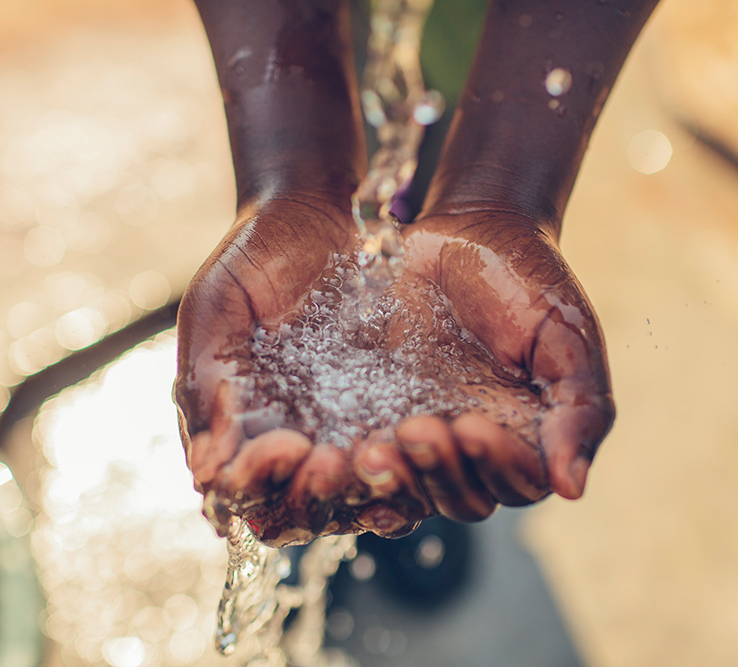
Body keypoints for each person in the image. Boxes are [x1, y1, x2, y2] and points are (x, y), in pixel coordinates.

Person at [175, 0, 660, 546]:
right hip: (310, 28)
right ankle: (364, 505)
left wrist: (497, 194)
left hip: (520, 49)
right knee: (373, 133)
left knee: (421, 153)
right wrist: (294, 178)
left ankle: (417, 481)